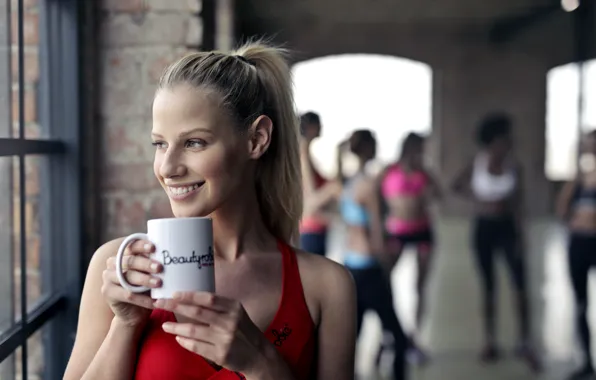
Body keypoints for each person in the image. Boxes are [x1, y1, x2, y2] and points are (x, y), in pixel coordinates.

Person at [63, 42, 357, 380]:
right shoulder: (119, 267)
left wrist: (261, 363)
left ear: (257, 139)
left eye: (194, 143)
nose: (168, 167)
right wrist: (125, 324)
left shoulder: (326, 287)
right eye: (160, 143)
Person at [451, 112, 540, 371]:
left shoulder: (514, 166)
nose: (509, 142)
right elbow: (456, 185)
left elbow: (519, 204)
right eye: (504, 137)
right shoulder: (476, 163)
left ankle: (524, 340)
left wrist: (523, 236)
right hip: (484, 228)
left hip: (508, 228)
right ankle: (489, 340)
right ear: (492, 140)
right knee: (488, 285)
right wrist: (480, 201)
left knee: (519, 284)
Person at [335, 130, 408, 379]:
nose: (377, 146)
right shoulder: (370, 185)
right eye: (374, 143)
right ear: (367, 147)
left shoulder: (349, 183)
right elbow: (378, 234)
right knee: (398, 337)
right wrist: (387, 266)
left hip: (350, 266)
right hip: (370, 267)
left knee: (353, 335)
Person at [378, 132, 441, 365]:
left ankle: (414, 337)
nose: (422, 153)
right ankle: (388, 334)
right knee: (383, 283)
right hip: (397, 231)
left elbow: (439, 196)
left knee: (420, 286)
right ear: (409, 148)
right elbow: (377, 198)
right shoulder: (390, 170)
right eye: (420, 148)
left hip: (422, 230)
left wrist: (429, 193)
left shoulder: (425, 173)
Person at [556, 130, 596, 380]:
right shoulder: (578, 181)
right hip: (579, 244)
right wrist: (576, 178)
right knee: (581, 304)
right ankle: (587, 361)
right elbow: (561, 211)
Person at [299, 112, 338, 256]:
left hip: (315, 230)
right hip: (310, 230)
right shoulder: (302, 155)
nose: (321, 127)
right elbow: (312, 199)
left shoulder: (306, 154)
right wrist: (332, 189)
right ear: (310, 127)